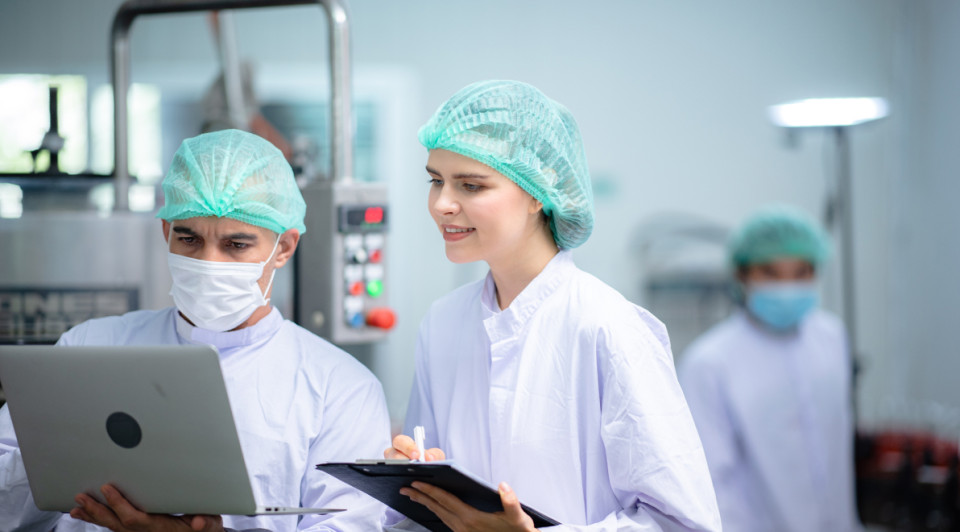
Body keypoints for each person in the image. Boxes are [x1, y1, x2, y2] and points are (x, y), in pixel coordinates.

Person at [0, 129, 391, 532]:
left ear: (285, 247)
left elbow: (350, 526)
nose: (209, 262)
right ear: (167, 232)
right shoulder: (86, 349)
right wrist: (52, 451)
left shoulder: (340, 389)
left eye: (236, 245)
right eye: (189, 238)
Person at [384, 80, 722, 531]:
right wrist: (415, 487)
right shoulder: (443, 324)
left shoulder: (608, 326)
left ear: (537, 192)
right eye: (436, 180)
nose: (443, 204)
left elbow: (684, 522)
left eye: (470, 185)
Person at [678, 206, 861, 532]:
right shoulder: (709, 362)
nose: (787, 286)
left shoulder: (832, 337)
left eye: (802, 272)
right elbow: (710, 481)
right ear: (741, 275)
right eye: (771, 273)